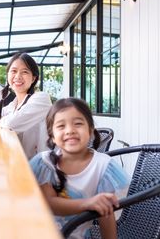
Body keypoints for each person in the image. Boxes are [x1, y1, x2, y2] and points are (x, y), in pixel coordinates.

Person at [30, 98, 129, 239]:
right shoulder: (45, 163)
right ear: (52, 136)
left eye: (78, 124)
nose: (70, 130)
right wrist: (88, 203)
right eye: (61, 126)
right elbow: (49, 203)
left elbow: (106, 214)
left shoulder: (102, 166)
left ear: (90, 130)